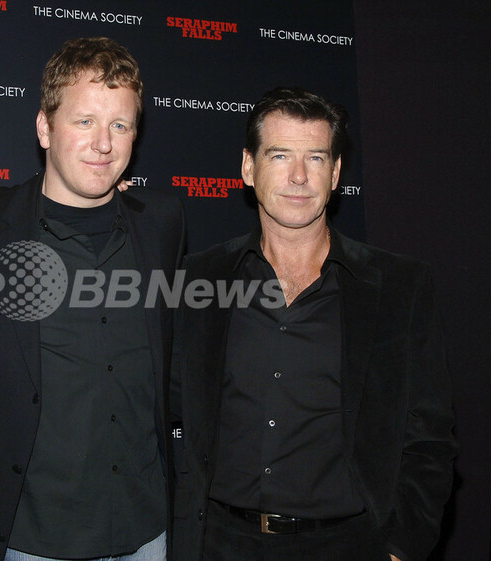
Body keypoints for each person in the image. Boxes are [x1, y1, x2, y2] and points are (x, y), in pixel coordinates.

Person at [170, 87, 456, 561]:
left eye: (316, 158)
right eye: (280, 155)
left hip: (350, 545)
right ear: (248, 167)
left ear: (336, 173)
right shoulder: (199, 278)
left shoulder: (399, 287)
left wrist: (400, 549)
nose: (299, 176)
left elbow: (429, 439)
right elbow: (149, 405)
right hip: (219, 543)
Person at [0, 37, 185, 561]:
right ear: (44, 127)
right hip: (32, 541)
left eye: (120, 125)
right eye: (84, 121)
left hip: (147, 532)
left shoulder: (162, 223)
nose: (103, 144)